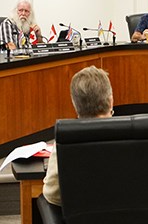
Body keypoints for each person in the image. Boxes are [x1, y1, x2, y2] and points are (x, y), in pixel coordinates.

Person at [42, 66, 114, 206]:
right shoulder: (131, 135)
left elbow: (52, 195)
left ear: (75, 104)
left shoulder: (66, 138)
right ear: (111, 101)